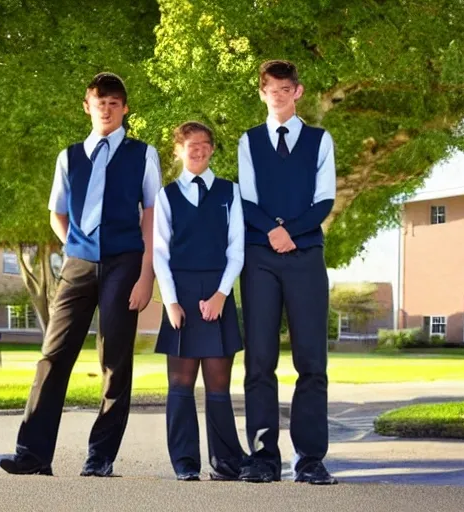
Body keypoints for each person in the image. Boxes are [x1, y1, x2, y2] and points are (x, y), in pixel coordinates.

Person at [0, 72, 162, 477]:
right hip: (78, 263)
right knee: (52, 356)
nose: (105, 109)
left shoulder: (143, 154)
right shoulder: (69, 156)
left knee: (114, 358)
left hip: (126, 262)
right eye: (98, 102)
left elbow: (153, 217)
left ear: (124, 109)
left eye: (113, 103)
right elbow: (57, 212)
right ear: (86, 107)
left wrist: (146, 277)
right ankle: (33, 454)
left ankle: (100, 457)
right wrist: (76, 243)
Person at [238, 60, 337, 484]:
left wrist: (289, 233)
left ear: (297, 92)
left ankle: (310, 460)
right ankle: (263, 459)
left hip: (305, 256)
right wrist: (272, 233)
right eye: (269, 89)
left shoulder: (320, 140)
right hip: (260, 258)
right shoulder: (249, 141)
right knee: (259, 361)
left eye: (284, 89)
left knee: (311, 361)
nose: (277, 95)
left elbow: (324, 200)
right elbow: (246, 200)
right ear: (261, 93)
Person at [153, 121, 245, 481]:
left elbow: (236, 249)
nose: (199, 150)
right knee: (180, 385)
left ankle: (225, 463)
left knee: (219, 386)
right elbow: (160, 253)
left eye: (205, 144)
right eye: (192, 145)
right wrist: (171, 302)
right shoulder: (166, 196)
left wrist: (222, 294)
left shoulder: (229, 192)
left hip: (219, 290)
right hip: (181, 294)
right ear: (178, 150)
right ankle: (185, 464)